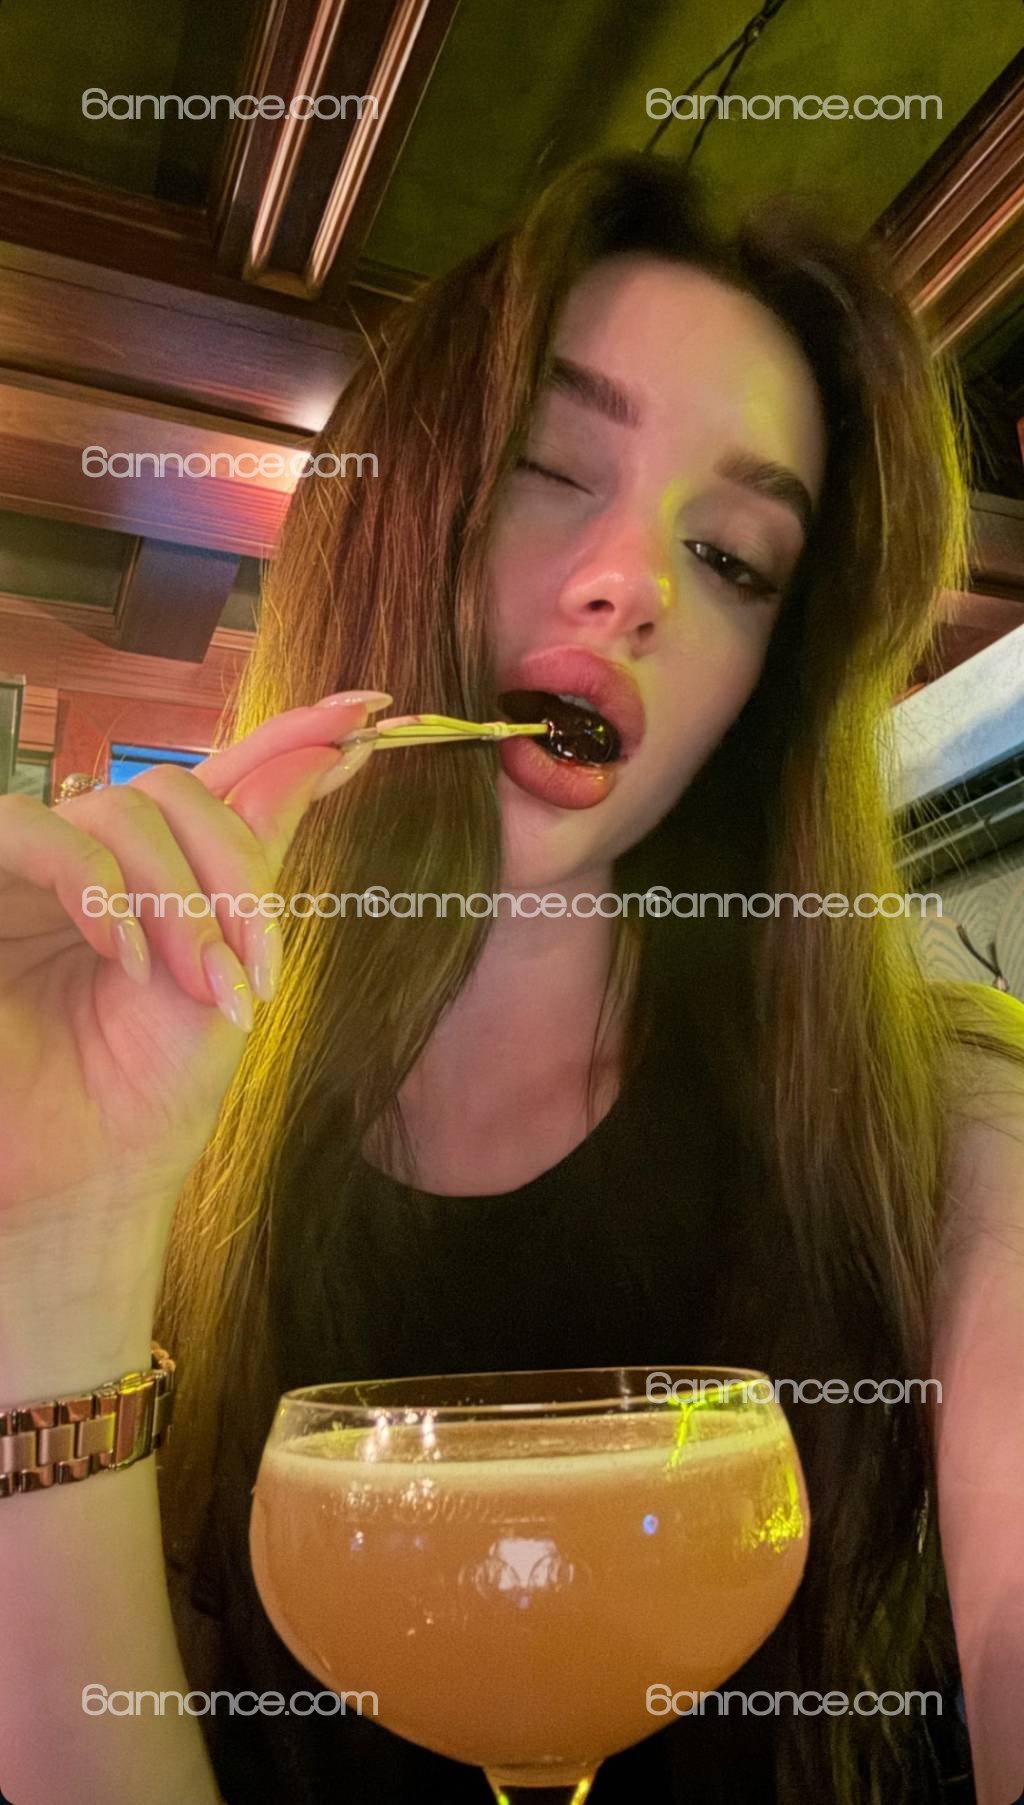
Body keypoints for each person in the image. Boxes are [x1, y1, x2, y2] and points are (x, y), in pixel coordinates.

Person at [1, 152, 1022, 1805]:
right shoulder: (175, 1148)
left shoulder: (951, 1134)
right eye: (550, 465)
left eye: (736, 557)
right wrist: (54, 1265)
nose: (638, 583)